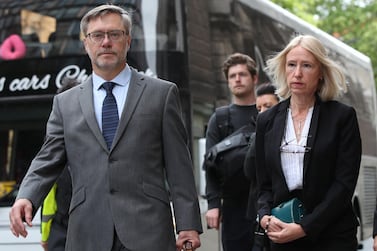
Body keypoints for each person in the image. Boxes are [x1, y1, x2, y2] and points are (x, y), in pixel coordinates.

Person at [9, 4, 202, 251]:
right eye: (97, 35)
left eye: (115, 34)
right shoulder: (65, 103)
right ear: (86, 43)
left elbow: (179, 166)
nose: (106, 42)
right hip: (86, 232)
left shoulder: (161, 94)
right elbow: (47, 158)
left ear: (128, 40)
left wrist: (187, 223)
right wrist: (26, 196)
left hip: (148, 231)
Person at [255, 34, 361, 251]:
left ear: (321, 72)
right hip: (282, 231)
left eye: (307, 66)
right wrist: (265, 217)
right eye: (291, 65)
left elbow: (344, 184)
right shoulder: (266, 120)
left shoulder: (342, 117)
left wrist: (305, 227)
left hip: (332, 234)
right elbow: (262, 184)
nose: (297, 73)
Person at [204, 52, 259, 251]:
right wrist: (213, 204)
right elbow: (209, 164)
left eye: (242, 74)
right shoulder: (219, 118)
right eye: (232, 76)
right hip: (233, 206)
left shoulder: (267, 112)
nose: (237, 79)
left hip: (265, 202)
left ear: (255, 78)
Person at [40, 77, 79, 251]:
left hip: (76, 227)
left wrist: (46, 235)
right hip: (62, 228)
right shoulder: (54, 143)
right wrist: (46, 235)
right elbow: (48, 196)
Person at [243, 83, 279, 251]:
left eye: (268, 106)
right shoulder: (258, 134)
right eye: (259, 108)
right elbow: (249, 170)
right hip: (262, 215)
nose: (263, 112)